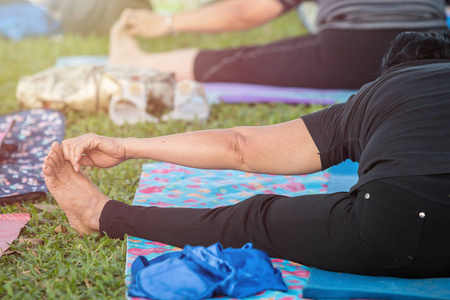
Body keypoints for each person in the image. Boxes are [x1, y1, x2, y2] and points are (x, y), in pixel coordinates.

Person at [43, 30, 450, 278]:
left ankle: (99, 213)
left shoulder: (382, 90)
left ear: (393, 70)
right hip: (406, 218)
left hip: (399, 228)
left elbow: (241, 148)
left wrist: (128, 147)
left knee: (254, 218)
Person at [109, 0, 450, 89]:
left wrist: (167, 23)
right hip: (433, 53)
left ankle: (134, 59)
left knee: (240, 61)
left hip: (346, 53)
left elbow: (246, 13)